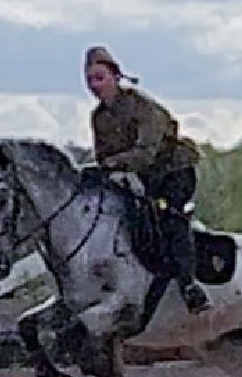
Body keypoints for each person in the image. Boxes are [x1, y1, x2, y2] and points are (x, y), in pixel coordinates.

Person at [82, 45, 209, 314]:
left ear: (115, 77)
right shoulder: (98, 117)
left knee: (170, 215)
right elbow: (103, 156)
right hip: (139, 176)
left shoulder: (141, 106)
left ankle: (190, 285)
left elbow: (147, 152)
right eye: (90, 79)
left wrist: (113, 164)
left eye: (99, 78)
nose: (95, 85)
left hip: (173, 172)